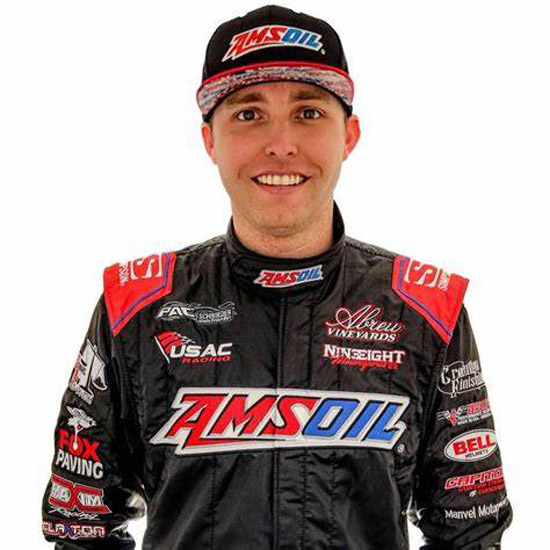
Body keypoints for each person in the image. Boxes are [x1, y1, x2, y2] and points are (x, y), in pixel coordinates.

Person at [41, 5, 512, 549]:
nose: (281, 144)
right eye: (249, 114)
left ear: (349, 135)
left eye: (308, 112)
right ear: (210, 140)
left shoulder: (425, 309)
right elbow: (80, 523)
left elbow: (470, 532)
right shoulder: (137, 307)